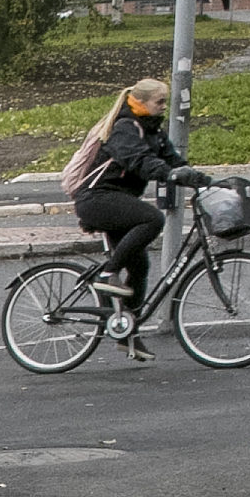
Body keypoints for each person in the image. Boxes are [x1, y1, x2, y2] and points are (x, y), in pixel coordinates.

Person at [64, 77, 194, 362]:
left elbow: (170, 159)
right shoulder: (125, 127)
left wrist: (200, 179)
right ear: (141, 102)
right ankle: (107, 272)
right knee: (151, 219)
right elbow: (139, 161)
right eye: (159, 102)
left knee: (140, 265)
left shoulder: (152, 130)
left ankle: (127, 333)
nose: (163, 107)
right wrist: (168, 174)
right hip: (96, 199)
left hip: (116, 200)